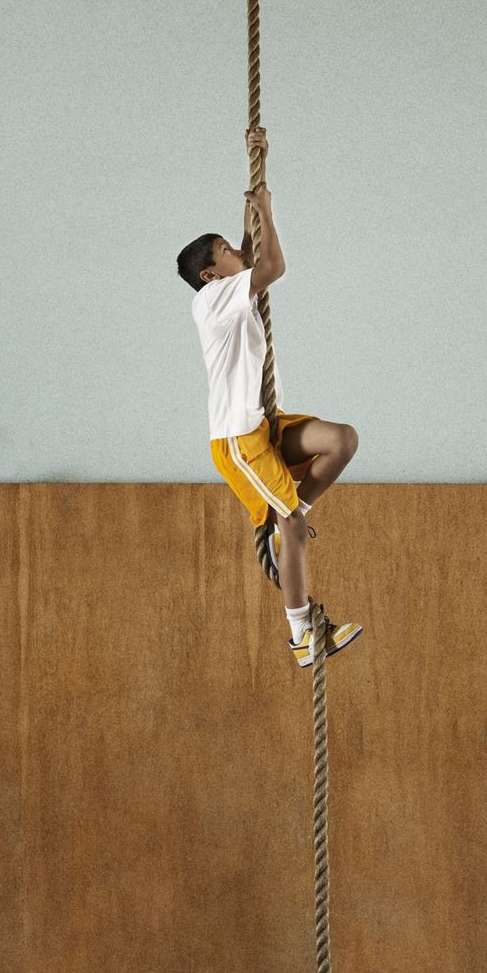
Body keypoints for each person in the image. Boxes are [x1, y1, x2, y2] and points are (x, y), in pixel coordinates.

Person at [177, 129, 362, 667]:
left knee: (341, 440)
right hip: (238, 440)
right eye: (226, 252)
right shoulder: (213, 300)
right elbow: (273, 264)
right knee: (294, 526)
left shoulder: (229, 291)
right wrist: (269, 210)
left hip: (263, 423)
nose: (238, 253)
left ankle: (288, 523)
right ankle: (302, 634)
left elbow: (252, 251)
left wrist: (259, 162)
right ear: (212, 274)